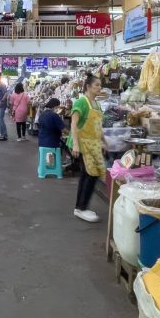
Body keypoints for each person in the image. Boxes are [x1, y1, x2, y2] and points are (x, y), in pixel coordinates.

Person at [69, 72, 106, 223]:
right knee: (90, 174)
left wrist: (103, 141)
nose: (99, 87)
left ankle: (81, 206)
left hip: (94, 144)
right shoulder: (81, 102)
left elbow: (98, 126)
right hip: (83, 144)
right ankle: (81, 208)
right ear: (88, 86)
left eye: (100, 85)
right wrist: (76, 145)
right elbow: (73, 124)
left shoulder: (96, 104)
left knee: (89, 174)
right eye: (96, 85)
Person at [0, 75, 10, 141]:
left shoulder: (2, 84)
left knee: (1, 119)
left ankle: (4, 135)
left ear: (0, 77)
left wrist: (2, 100)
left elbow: (6, 93)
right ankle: (2, 134)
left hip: (1, 105)